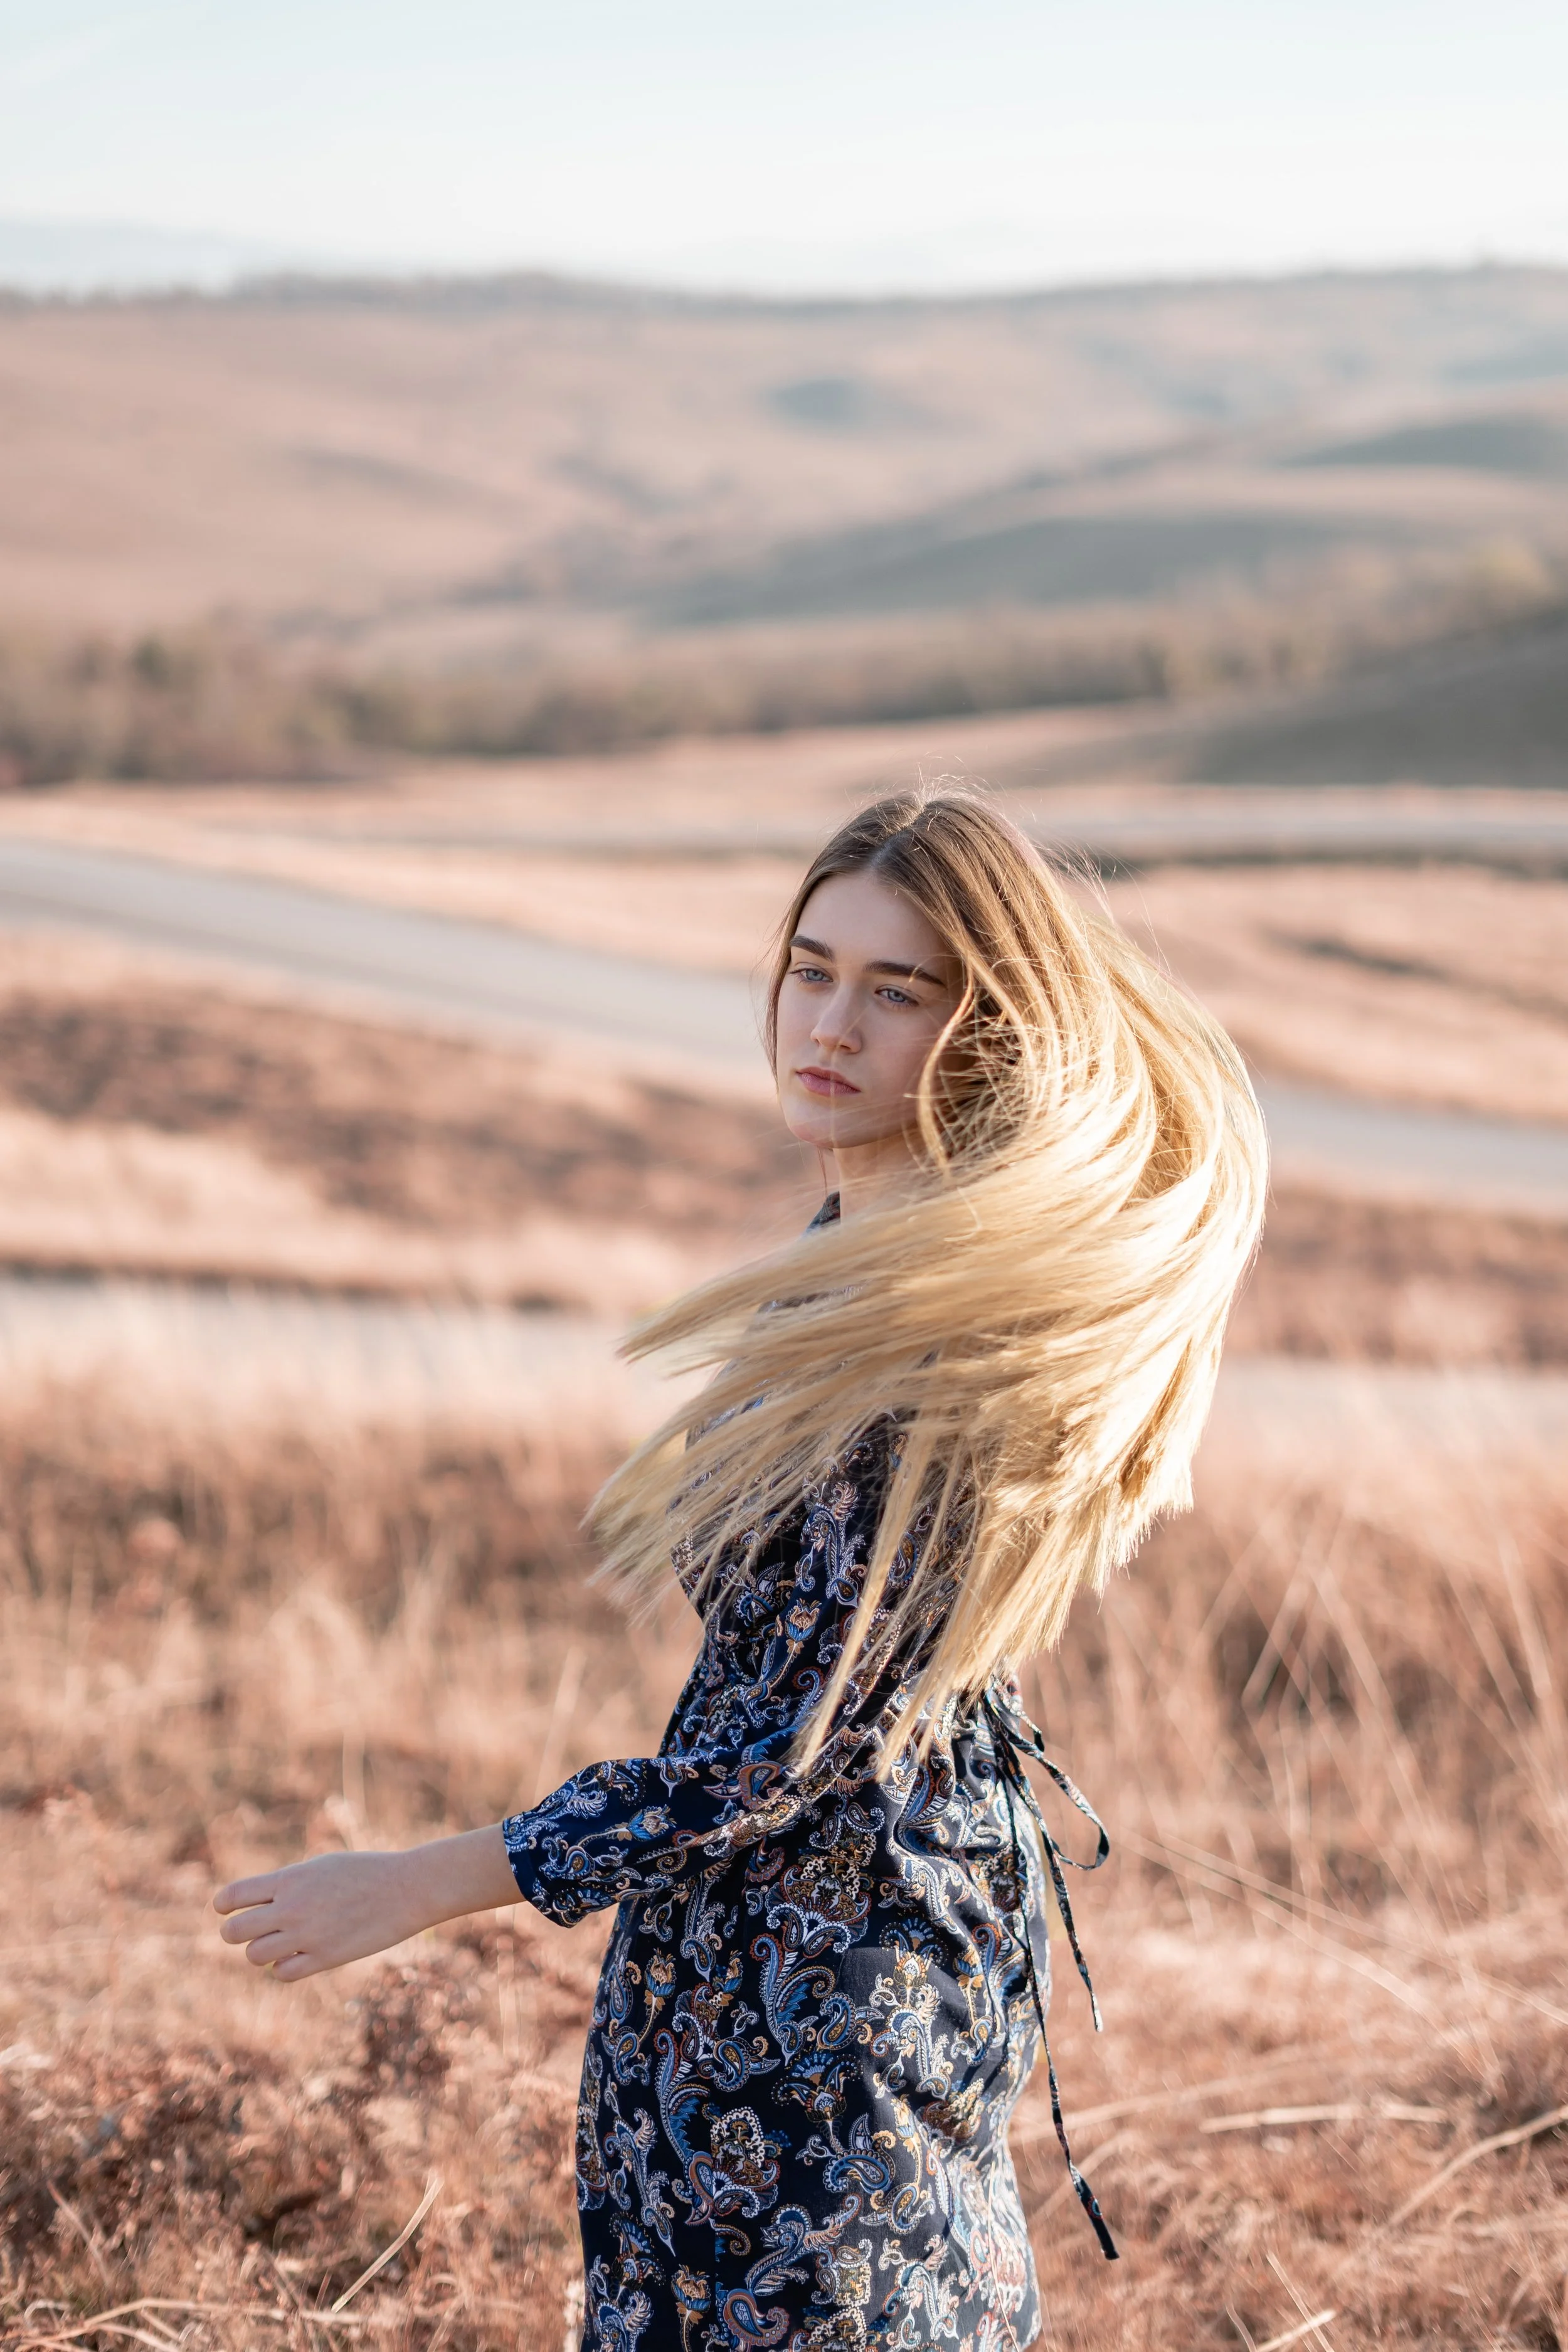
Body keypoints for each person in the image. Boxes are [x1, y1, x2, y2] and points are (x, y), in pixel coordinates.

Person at [215, 788, 1266, 2350]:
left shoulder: (933, 1347)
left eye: (895, 991)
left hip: (838, 1997)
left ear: (992, 1029)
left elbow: (791, 1749)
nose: (825, 1023)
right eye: (809, 966)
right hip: (750, 1962)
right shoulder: (843, 1278)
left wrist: (429, 1881)